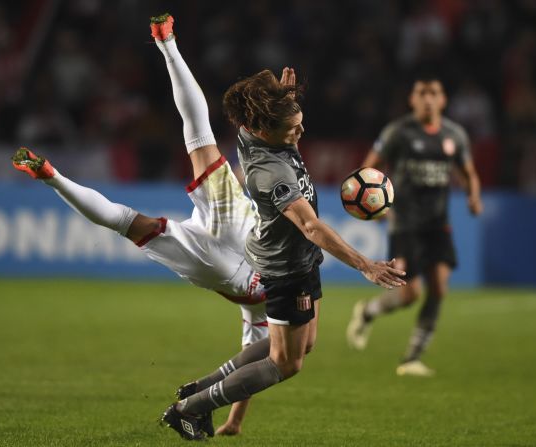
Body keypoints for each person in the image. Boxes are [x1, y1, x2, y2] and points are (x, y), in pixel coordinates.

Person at [11, 12, 270, 435]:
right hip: (222, 270)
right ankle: (53, 177)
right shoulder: (266, 316)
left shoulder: (268, 307)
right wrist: (235, 420)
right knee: (127, 221)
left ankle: (166, 42)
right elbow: (256, 364)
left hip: (236, 237)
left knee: (198, 134)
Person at [157, 18, 407, 443]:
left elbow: (270, 114)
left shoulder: (255, 131)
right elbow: (310, 226)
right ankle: (189, 408)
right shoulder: (271, 174)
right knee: (286, 363)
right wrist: (366, 266)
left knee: (302, 345)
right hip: (286, 270)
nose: (301, 132)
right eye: (292, 129)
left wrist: (284, 97)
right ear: (263, 132)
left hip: (300, 264)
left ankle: (199, 388)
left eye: (299, 123)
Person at [346, 75, 484, 377]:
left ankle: (411, 358)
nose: (427, 99)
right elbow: (368, 170)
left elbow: (469, 172)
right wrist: (378, 207)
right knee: (409, 294)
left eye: (433, 93)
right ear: (412, 99)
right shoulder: (398, 132)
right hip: (404, 223)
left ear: (443, 99)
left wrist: (473, 196)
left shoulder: (454, 135)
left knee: (438, 288)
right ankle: (368, 311)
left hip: (438, 224)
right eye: (421, 93)